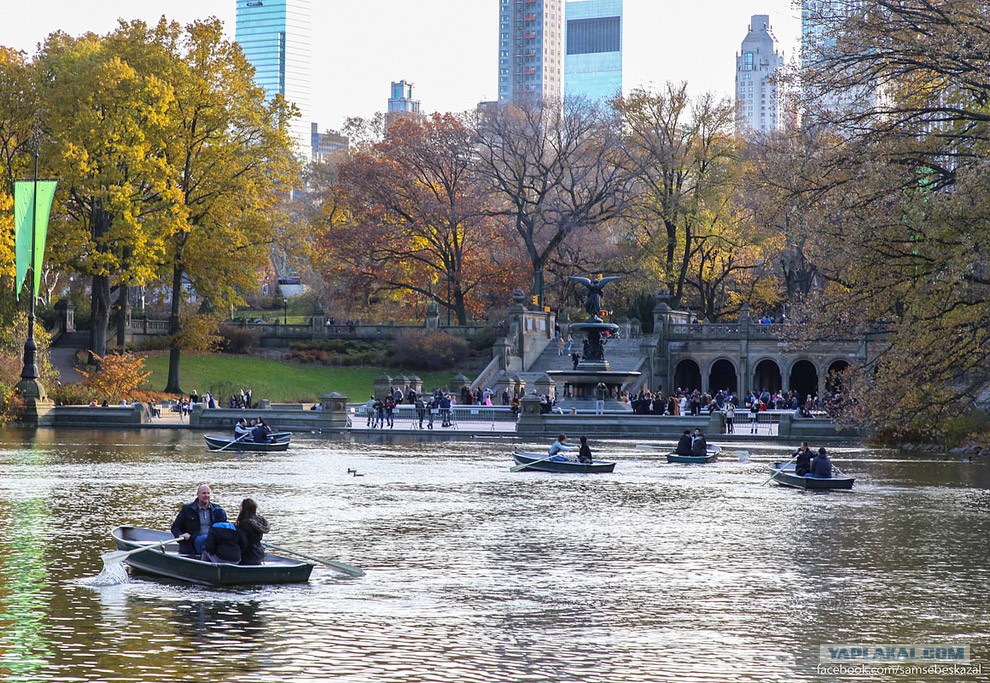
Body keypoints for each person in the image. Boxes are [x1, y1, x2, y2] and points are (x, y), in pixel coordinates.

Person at [171, 484, 227, 556]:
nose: (206, 495)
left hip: (212, 542)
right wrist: (180, 535)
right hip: (193, 543)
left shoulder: (217, 509)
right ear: (197, 494)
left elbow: (224, 528)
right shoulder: (187, 509)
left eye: (208, 493)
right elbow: (175, 527)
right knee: (203, 539)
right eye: (203, 493)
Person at [237, 498, 270, 566]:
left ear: (244, 509)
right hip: (259, 553)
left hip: (248, 556)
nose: (239, 508)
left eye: (240, 506)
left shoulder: (244, 523)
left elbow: (243, 542)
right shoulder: (260, 520)